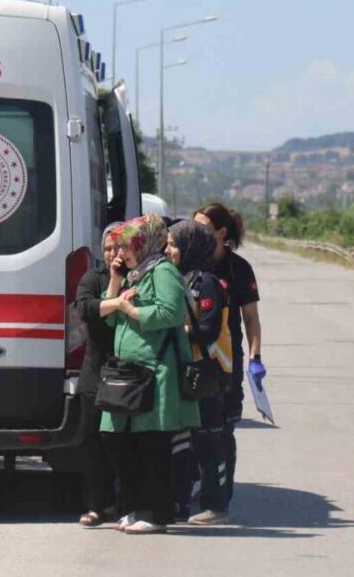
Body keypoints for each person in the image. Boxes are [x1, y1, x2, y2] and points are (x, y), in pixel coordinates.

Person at [99, 214, 200, 534]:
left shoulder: (163, 271)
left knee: (152, 445)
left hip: (157, 373)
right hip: (130, 373)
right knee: (121, 440)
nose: (121, 253)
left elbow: (171, 312)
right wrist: (116, 285)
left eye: (128, 246)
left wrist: (132, 310)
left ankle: (155, 513)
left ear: (146, 244)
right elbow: (109, 320)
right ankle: (134, 506)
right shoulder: (135, 274)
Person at [193, 203, 262, 506]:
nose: (196, 233)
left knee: (224, 426)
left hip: (227, 359)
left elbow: (250, 319)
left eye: (202, 227)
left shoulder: (238, 269)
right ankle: (198, 485)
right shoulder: (191, 262)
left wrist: (255, 358)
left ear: (221, 232)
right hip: (194, 355)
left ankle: (222, 493)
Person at [166, 220, 232, 524]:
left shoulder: (205, 282)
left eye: (173, 244)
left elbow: (208, 329)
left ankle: (215, 505)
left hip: (206, 372)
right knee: (183, 441)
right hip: (187, 370)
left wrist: (172, 329)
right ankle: (180, 502)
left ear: (190, 247)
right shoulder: (182, 278)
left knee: (208, 442)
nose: (168, 250)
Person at [74, 223, 123, 527]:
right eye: (107, 247)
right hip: (95, 371)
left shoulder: (138, 277)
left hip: (128, 374)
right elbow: (88, 310)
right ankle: (98, 505)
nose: (111, 253)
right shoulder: (92, 278)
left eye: (118, 247)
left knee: (121, 443)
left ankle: (127, 503)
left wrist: (118, 286)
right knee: (91, 441)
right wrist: (115, 296)